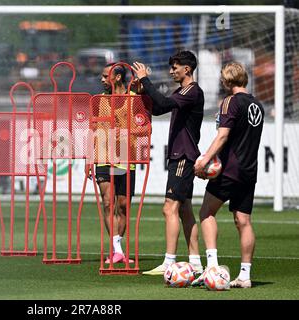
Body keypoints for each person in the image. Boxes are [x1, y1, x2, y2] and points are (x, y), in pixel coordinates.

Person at [192, 62, 264, 288]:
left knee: (206, 212)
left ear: (226, 81)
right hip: (249, 171)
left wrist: (204, 161)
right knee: (243, 221)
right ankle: (245, 275)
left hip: (230, 169)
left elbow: (223, 137)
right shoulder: (257, 104)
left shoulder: (230, 102)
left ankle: (211, 267)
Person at [132, 50, 204, 275]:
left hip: (183, 155)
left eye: (175, 66)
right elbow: (160, 108)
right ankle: (196, 262)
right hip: (180, 155)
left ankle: (169, 261)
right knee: (184, 210)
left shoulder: (193, 91)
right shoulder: (182, 91)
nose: (172, 70)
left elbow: (162, 101)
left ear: (187, 69)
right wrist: (142, 93)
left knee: (169, 208)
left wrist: (145, 78)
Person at [85, 62, 138, 264]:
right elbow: (93, 129)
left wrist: (124, 134)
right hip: (103, 156)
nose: (101, 79)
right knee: (108, 202)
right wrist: (90, 159)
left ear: (116, 77)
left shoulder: (134, 100)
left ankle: (118, 248)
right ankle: (116, 249)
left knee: (123, 206)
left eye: (105, 75)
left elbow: (144, 129)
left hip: (126, 156)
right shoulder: (99, 100)